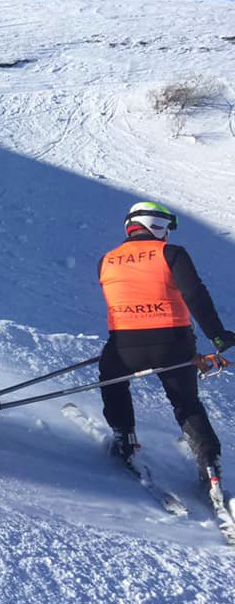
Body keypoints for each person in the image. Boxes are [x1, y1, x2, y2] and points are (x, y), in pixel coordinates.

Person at [98, 201, 235, 494]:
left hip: (124, 345)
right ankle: (209, 463)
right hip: (173, 345)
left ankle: (124, 439)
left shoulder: (107, 259)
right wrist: (217, 336)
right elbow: (195, 294)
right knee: (186, 402)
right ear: (156, 225)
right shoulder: (170, 254)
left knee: (112, 381)